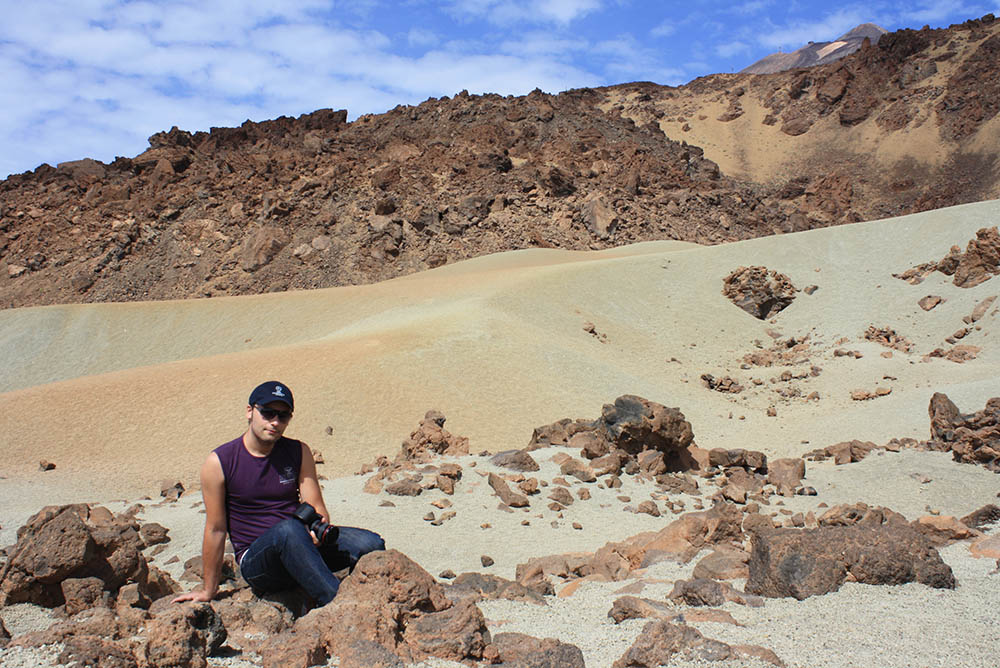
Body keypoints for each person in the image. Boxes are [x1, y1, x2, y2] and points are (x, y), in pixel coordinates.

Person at [173, 380, 384, 606]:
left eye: (283, 416)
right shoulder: (220, 462)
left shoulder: (298, 451)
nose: (275, 421)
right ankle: (337, 605)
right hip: (259, 562)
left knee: (370, 544)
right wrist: (208, 589)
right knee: (288, 530)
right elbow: (215, 529)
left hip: (301, 544)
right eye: (267, 413)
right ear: (249, 412)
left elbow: (316, 506)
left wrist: (317, 529)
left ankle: (369, 599)